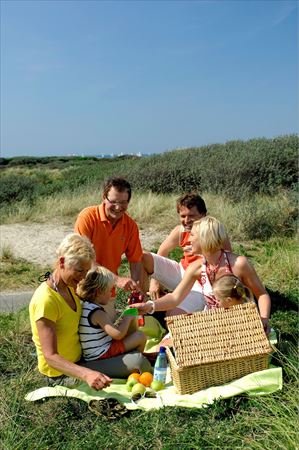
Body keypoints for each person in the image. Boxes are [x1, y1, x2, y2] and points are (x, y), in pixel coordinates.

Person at [29, 233, 151, 390]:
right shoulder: (46, 301)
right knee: (139, 362)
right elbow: (51, 357)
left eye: (86, 271)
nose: (83, 277)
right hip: (62, 374)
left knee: (136, 340)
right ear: (62, 262)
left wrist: (130, 311)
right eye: (79, 271)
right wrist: (86, 374)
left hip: (83, 360)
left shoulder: (71, 288)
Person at [134, 216, 271, 333]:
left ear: (205, 238)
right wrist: (150, 306)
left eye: (193, 235)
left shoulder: (239, 264)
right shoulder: (196, 268)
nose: (189, 240)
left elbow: (262, 294)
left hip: (241, 325)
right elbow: (175, 298)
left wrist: (264, 319)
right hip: (214, 324)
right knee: (174, 336)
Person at [142, 193, 231, 316]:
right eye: (183, 216)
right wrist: (155, 282)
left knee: (173, 315)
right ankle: (141, 302)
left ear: (204, 215)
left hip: (201, 282)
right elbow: (162, 251)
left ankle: (193, 310)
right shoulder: (180, 230)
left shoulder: (215, 233)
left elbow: (228, 261)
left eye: (191, 216)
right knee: (142, 257)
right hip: (182, 272)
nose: (186, 220)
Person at [74, 177, 143, 319]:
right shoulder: (87, 217)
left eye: (123, 202)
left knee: (105, 336)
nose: (118, 208)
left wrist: (135, 288)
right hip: (80, 288)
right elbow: (84, 258)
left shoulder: (130, 226)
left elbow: (135, 260)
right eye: (114, 202)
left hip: (106, 293)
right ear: (104, 197)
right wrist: (117, 280)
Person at [77, 266, 146, 360]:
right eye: (110, 290)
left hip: (98, 351)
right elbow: (118, 334)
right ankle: (139, 358)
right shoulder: (97, 313)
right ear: (99, 292)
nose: (111, 293)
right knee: (140, 336)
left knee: (131, 334)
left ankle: (134, 356)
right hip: (101, 354)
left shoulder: (87, 306)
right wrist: (127, 318)